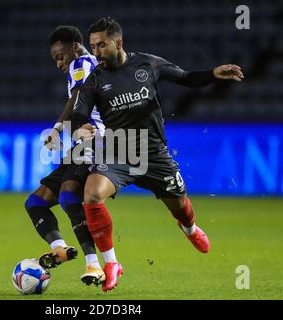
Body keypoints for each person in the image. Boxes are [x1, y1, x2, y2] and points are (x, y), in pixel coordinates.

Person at [71, 17, 245, 292]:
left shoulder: (148, 64)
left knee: (180, 206)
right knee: (91, 195)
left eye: (101, 45)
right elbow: (78, 115)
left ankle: (190, 229)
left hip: (155, 155)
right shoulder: (95, 80)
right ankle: (111, 263)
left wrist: (213, 73)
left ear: (118, 42)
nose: (96, 53)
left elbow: (186, 78)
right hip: (120, 151)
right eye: (93, 46)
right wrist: (80, 130)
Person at [24, 25, 106, 285]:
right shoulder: (85, 65)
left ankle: (94, 264)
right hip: (81, 147)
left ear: (74, 47)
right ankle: (60, 247)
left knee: (69, 196)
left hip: (96, 142)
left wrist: (58, 128)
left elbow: (79, 96)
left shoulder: (81, 63)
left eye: (61, 56)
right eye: (54, 59)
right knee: (36, 202)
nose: (59, 63)